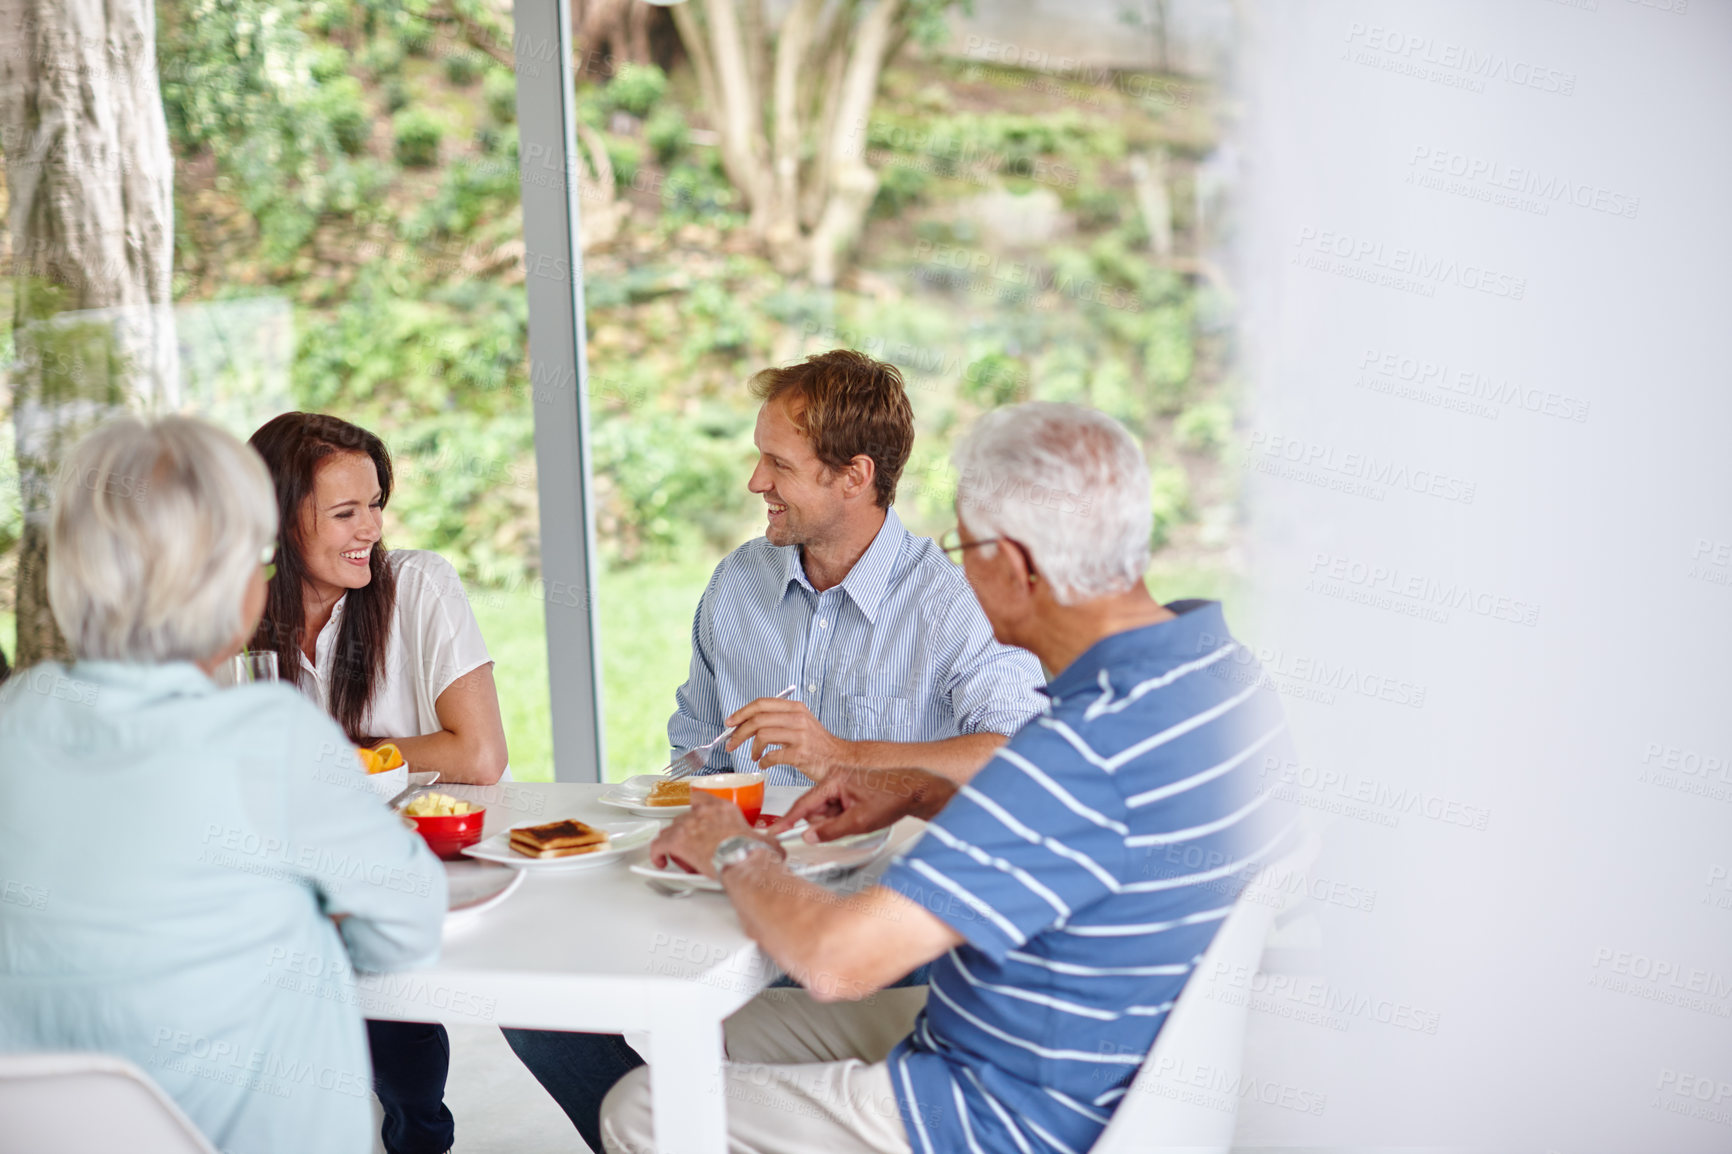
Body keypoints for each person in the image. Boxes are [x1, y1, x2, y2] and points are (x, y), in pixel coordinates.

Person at [581, 402, 1298, 1153]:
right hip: (1083, 1048)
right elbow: (1111, 837)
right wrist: (920, 788)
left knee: (645, 1107)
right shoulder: (1224, 672)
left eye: (965, 545)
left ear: (1016, 566)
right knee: (719, 1028)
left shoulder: (1073, 756)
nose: (955, 567)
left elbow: (838, 961)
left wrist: (733, 848)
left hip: (1000, 1112)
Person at [0, 415, 445, 1154]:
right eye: (259, 559)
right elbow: (407, 925)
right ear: (230, 587)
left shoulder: (14, 718)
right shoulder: (269, 736)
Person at [248, 412, 508, 1154]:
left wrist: (334, 755)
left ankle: (418, 1130)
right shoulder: (240, 612)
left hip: (428, 856)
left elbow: (481, 754)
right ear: (277, 521)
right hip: (297, 864)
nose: (371, 527)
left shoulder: (419, 586)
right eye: (345, 512)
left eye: (376, 503)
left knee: (376, 973)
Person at [668, 348, 1046, 786]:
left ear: (854, 476)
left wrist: (842, 757)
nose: (756, 481)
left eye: (780, 464)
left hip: (894, 855)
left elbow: (1023, 757)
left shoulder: (957, 601)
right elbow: (698, 759)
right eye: (760, 455)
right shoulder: (736, 583)